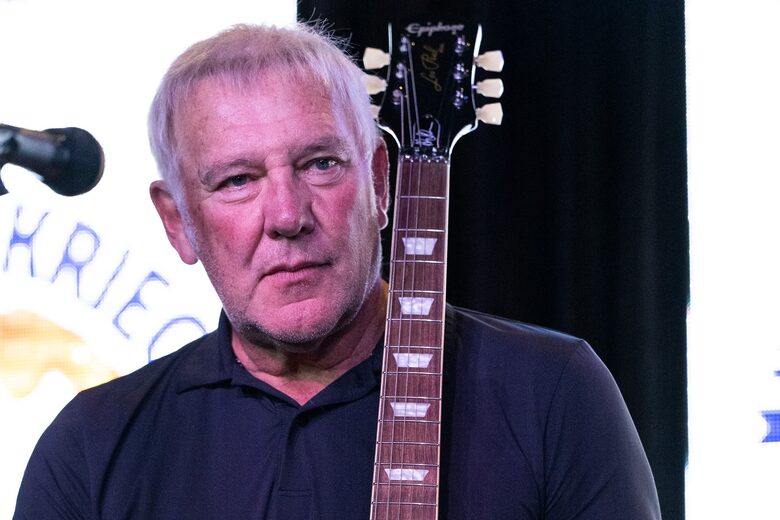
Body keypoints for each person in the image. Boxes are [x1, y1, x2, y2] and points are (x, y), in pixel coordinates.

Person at [14, 23, 661, 519]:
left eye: (320, 164)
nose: (287, 215)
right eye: (237, 180)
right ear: (177, 221)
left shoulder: (553, 396)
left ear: (381, 181)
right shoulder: (91, 448)